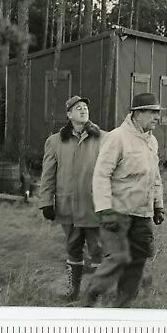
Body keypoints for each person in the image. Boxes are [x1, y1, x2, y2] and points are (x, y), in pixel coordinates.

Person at [81, 92, 165, 308]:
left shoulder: (152, 142)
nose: (157, 117)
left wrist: (158, 205)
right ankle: (92, 295)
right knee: (118, 258)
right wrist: (104, 209)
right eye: (152, 112)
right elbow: (101, 174)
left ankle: (122, 308)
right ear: (137, 114)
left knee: (137, 261)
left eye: (158, 112)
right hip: (117, 213)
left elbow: (154, 176)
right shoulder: (117, 138)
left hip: (142, 214)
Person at [38, 95, 105, 302]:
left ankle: (95, 295)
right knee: (73, 248)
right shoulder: (55, 142)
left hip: (95, 206)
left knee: (98, 250)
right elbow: (48, 174)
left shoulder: (103, 138)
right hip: (68, 208)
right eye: (78, 108)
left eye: (85, 107)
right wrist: (46, 202)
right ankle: (72, 292)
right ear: (69, 114)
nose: (83, 110)